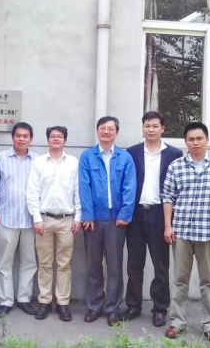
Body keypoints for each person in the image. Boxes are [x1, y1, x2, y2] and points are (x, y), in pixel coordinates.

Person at [163, 122, 210, 341]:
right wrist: (168, 225)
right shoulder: (176, 166)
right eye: (191, 139)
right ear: (186, 142)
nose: (195, 143)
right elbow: (168, 197)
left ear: (207, 140)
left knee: (208, 282)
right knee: (179, 281)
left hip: (209, 234)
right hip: (182, 233)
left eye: (199, 138)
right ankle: (177, 322)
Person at [122, 111, 183, 327]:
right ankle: (133, 305)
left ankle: (159, 308)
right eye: (147, 126)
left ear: (162, 129)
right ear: (143, 128)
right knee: (134, 263)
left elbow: (177, 187)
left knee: (160, 264)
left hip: (160, 214)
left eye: (155, 126)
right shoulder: (132, 152)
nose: (151, 129)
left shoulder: (174, 154)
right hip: (136, 213)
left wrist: (171, 221)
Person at [78, 116, 136, 326]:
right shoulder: (87, 156)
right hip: (94, 219)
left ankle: (113, 308)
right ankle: (95, 306)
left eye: (110, 129)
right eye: (102, 128)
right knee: (93, 264)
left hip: (116, 219)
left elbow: (130, 187)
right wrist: (87, 215)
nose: (106, 131)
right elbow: (84, 186)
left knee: (114, 266)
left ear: (116, 133)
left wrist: (125, 214)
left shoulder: (125, 157)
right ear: (97, 131)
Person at [27, 126, 81, 322]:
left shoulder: (73, 162)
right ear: (47, 139)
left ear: (65, 140)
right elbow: (32, 191)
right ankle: (44, 301)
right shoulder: (39, 162)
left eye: (60, 136)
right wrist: (36, 218)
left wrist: (78, 217)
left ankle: (63, 302)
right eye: (52, 136)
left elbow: (78, 191)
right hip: (44, 220)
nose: (56, 139)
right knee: (44, 263)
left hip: (67, 220)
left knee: (64, 264)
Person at [0, 122, 39, 318]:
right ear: (13, 137)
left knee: (29, 262)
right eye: (18, 135)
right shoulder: (1, 158)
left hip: (30, 220)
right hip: (6, 219)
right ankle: (6, 301)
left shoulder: (37, 160)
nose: (21, 139)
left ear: (31, 139)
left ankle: (24, 299)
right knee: (5, 263)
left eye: (25, 136)